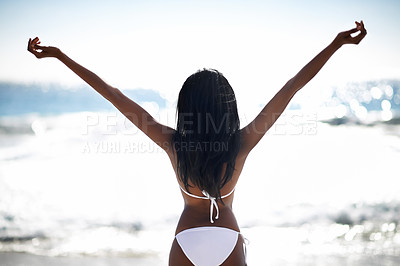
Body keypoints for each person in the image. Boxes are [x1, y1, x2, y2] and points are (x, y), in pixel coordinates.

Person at [28, 20, 367, 265]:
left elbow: (113, 95)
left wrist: (60, 56)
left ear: (186, 106)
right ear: (228, 107)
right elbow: (292, 86)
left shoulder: (172, 144)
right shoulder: (242, 142)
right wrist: (336, 45)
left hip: (186, 241)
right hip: (228, 240)